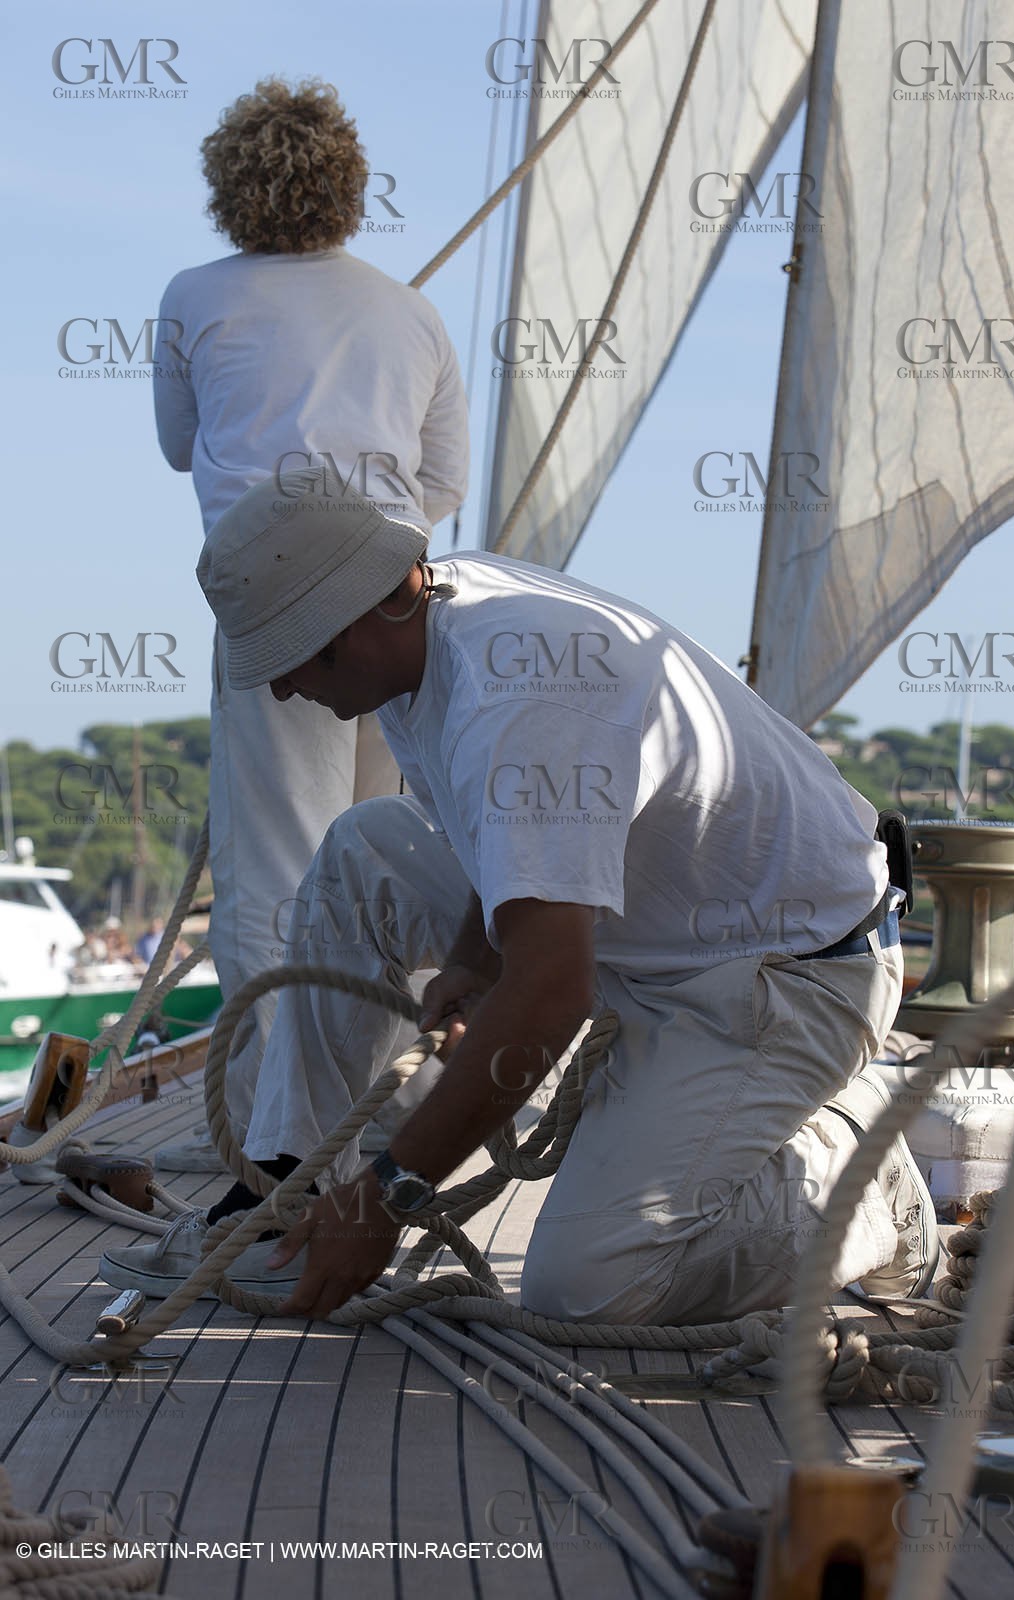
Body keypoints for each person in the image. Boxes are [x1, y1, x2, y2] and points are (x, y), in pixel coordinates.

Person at [101, 476, 938, 1322]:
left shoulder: (522, 703)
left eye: (289, 660)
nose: (280, 691)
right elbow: (496, 838)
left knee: (586, 1289)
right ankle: (289, 1192)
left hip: (782, 980)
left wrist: (390, 1195)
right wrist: (474, 957)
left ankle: (862, 1184)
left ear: (361, 620)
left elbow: (550, 993)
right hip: (650, 937)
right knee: (364, 853)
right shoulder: (424, 634)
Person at [151, 78, 468, 1160]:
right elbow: (445, 478)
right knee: (386, 858)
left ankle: (270, 1139)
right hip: (399, 604)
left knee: (273, 865)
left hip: (273, 604)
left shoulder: (195, 294)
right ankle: (363, 1118)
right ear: (349, 186)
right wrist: (369, 563)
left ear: (225, 187)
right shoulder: (411, 309)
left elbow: (177, 444)